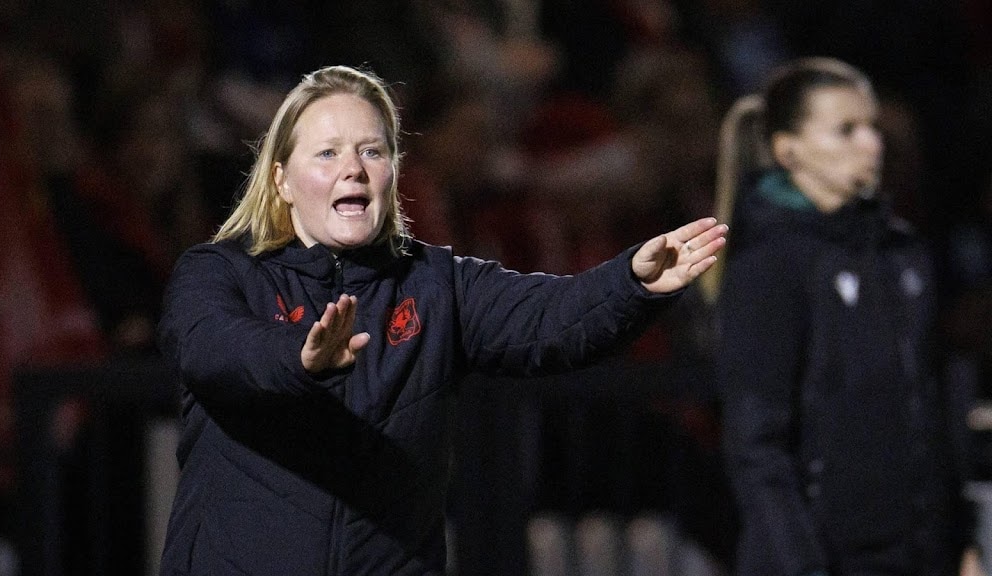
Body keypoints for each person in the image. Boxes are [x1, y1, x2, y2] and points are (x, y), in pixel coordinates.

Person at [154, 64, 727, 575]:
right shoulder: (219, 271)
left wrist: (631, 283)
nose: (353, 169)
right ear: (281, 178)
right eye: (327, 153)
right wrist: (299, 356)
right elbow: (213, 348)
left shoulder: (436, 283)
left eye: (372, 151)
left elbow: (549, 315)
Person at [711, 57, 975, 576]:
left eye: (873, 128)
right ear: (788, 150)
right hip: (822, 559)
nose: (872, 144)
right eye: (846, 130)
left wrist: (959, 542)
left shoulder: (902, 254)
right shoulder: (768, 265)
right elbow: (757, 442)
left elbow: (930, 404)